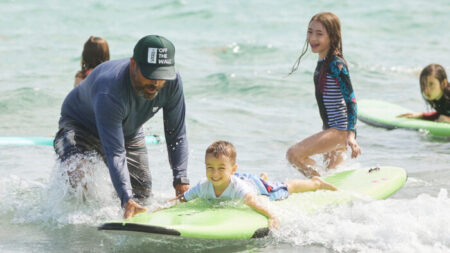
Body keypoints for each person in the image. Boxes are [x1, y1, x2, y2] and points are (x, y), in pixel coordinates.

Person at [54, 35, 190, 218]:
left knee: (142, 197)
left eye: (161, 76)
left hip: (129, 131)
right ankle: (81, 230)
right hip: (79, 127)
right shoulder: (110, 89)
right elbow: (116, 152)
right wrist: (126, 198)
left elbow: (177, 135)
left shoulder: (172, 83)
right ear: (133, 64)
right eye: (150, 74)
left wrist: (181, 181)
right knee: (82, 181)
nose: (155, 83)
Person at [178, 141, 338, 228]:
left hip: (252, 184)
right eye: (210, 168)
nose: (214, 173)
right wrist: (160, 207)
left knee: (282, 189)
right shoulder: (204, 185)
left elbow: (254, 202)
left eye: (220, 168)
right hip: (242, 179)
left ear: (233, 169)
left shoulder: (238, 188)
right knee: (256, 182)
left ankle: (315, 182)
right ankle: (263, 178)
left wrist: (272, 216)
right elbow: (182, 199)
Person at [286, 12, 361, 178]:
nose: (313, 38)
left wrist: (351, 135)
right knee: (334, 175)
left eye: (319, 34)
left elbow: (351, 101)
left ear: (332, 37)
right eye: (310, 32)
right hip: (331, 128)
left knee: (293, 154)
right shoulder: (324, 61)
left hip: (339, 130)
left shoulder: (336, 64)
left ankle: (317, 181)